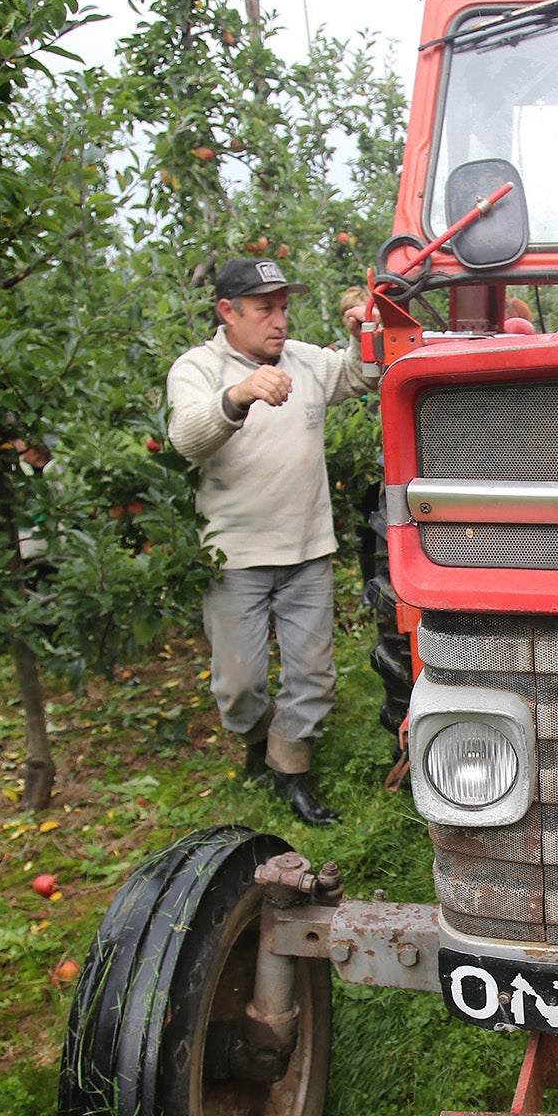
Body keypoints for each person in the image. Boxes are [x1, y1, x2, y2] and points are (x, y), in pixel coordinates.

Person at [168, 257, 372, 826]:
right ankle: (259, 742)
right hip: (234, 555)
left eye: (284, 307)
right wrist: (237, 396)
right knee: (238, 686)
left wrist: (363, 338)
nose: (279, 320)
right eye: (265, 309)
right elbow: (186, 437)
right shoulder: (198, 368)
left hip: (307, 548)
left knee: (313, 675)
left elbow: (361, 375)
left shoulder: (305, 360)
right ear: (227, 312)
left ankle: (291, 772)